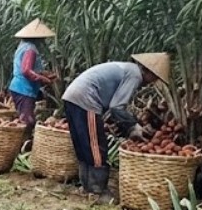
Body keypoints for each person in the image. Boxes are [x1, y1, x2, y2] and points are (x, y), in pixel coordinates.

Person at [62, 53, 170, 199]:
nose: (153, 82)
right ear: (149, 72)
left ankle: (87, 186)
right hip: (86, 99)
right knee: (96, 146)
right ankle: (97, 190)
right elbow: (117, 107)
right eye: (155, 78)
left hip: (72, 96)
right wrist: (134, 126)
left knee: (83, 143)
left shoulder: (127, 68)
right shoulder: (135, 75)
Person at [8, 19, 58, 131]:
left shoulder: (23, 46)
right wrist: (43, 79)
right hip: (23, 88)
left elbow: (30, 68)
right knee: (27, 120)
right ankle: (23, 142)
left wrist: (45, 74)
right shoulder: (30, 49)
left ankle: (24, 141)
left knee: (25, 116)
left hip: (19, 87)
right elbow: (26, 70)